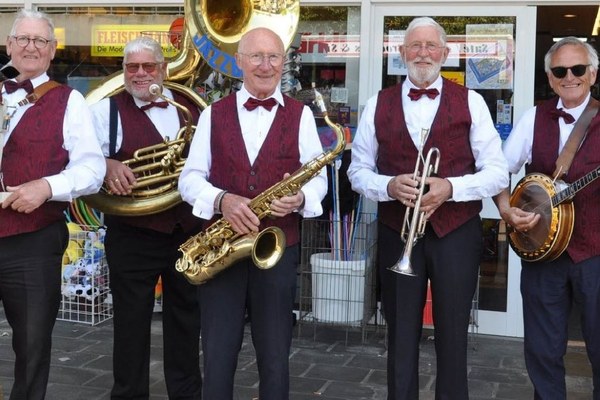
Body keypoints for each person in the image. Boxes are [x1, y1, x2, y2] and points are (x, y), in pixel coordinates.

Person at [348, 17, 508, 399]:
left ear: (445, 53)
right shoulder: (377, 103)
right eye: (414, 46)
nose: (423, 53)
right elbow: (357, 171)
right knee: (400, 333)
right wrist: (388, 185)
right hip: (396, 231)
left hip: (456, 232)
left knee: (453, 333)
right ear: (401, 54)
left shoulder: (471, 101)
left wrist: (451, 187)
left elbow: (498, 173)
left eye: (430, 46)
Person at [178, 27, 327, 400]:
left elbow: (318, 177)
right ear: (239, 62)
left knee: (276, 356)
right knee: (217, 354)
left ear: (284, 62)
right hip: (223, 250)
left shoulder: (302, 115)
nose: (265, 65)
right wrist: (221, 200)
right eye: (256, 56)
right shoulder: (213, 114)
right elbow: (190, 179)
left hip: (276, 251)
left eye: (274, 56)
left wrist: (300, 199)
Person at [0, 9, 106, 400]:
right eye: (23, 39)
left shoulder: (69, 101)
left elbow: (92, 169)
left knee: (31, 347)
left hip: (33, 240)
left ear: (52, 50)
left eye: (40, 40)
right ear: (9, 45)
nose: (30, 46)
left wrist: (47, 186)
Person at [89, 36, 203, 400]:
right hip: (132, 234)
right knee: (130, 323)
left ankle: (186, 393)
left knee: (186, 320)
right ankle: (128, 394)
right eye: (131, 67)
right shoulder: (103, 111)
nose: (139, 74)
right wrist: (105, 163)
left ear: (164, 69)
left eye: (148, 66)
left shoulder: (189, 106)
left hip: (186, 230)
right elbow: (79, 159)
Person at [494, 36, 600, 399]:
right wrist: (507, 210)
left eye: (578, 69)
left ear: (593, 73)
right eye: (560, 70)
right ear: (551, 78)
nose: (569, 76)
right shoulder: (534, 117)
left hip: (596, 253)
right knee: (543, 348)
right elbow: (499, 170)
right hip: (543, 252)